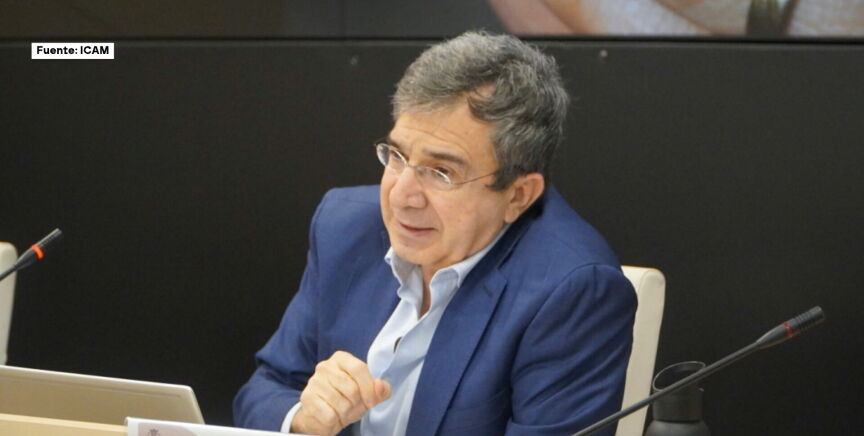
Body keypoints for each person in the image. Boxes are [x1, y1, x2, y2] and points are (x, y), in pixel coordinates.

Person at [234, 31, 636, 436]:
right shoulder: (345, 228)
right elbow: (266, 389)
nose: (402, 196)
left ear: (518, 195)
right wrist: (303, 419)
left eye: (441, 172)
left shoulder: (573, 292)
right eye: (397, 156)